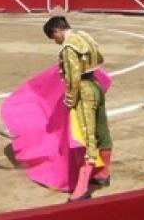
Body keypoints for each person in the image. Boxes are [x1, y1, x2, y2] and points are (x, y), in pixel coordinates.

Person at [43, 15, 112, 202]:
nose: (55, 42)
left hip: (83, 91)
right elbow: (99, 57)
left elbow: (73, 77)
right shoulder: (84, 36)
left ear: (57, 30)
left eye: (53, 37)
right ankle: (103, 174)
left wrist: (70, 101)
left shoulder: (68, 47)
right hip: (96, 86)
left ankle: (81, 190)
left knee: (85, 137)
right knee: (101, 131)